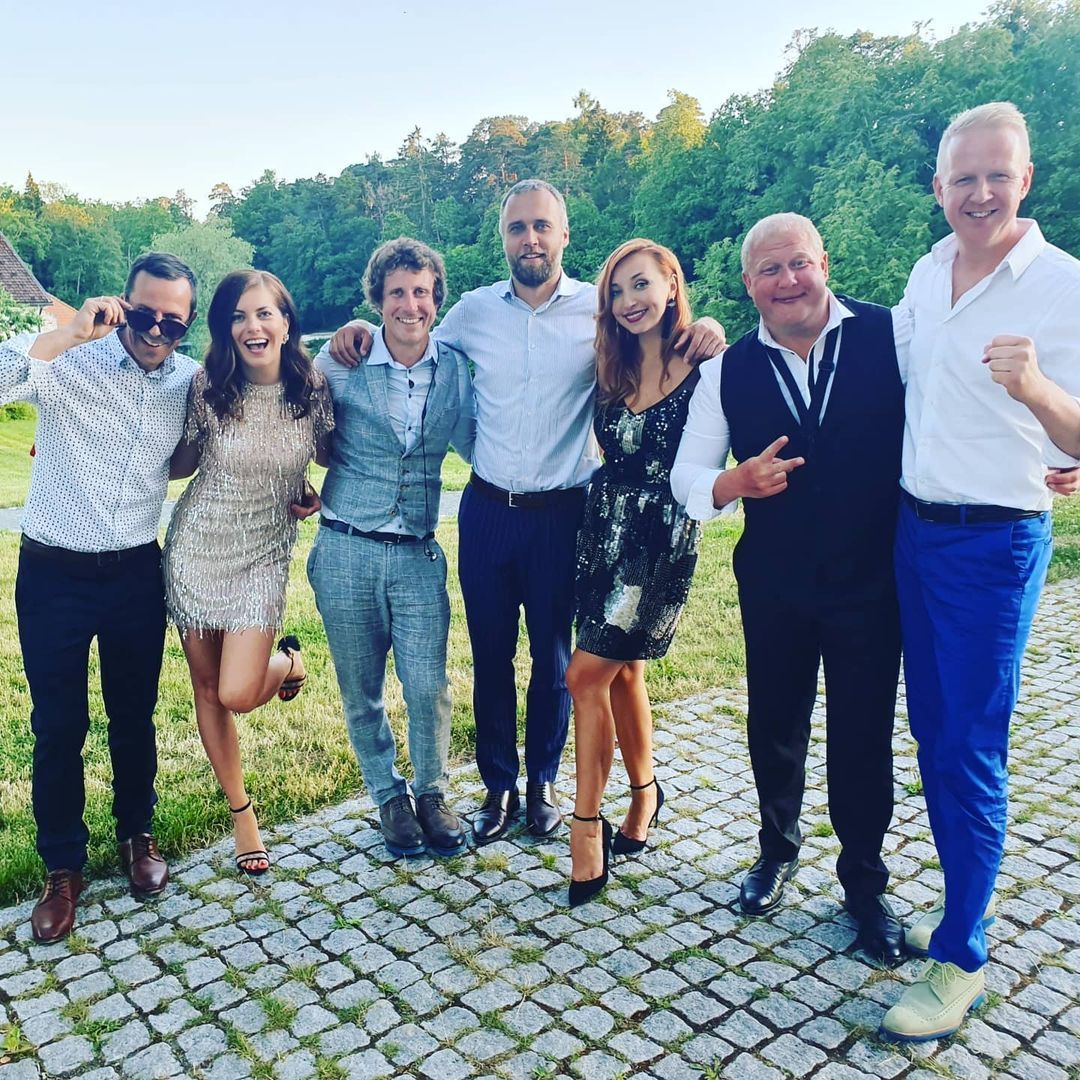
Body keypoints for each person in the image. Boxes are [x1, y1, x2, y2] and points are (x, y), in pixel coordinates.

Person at [329, 180, 723, 845]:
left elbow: (656, 335)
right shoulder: (474, 312)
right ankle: (498, 787)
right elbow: (411, 336)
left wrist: (706, 327)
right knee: (490, 657)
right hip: (488, 511)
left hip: (564, 514)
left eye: (542, 226)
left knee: (555, 657)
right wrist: (360, 329)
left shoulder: (598, 311)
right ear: (504, 239)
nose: (530, 239)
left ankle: (543, 783)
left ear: (564, 234)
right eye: (517, 228)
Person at [881, 102, 1080, 1041]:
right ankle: (963, 901)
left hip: (994, 542)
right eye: (964, 177)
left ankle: (961, 957)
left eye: (998, 174)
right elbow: (884, 359)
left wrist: (1036, 387)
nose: (981, 192)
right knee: (934, 735)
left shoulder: (1061, 285)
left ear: (1025, 178)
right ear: (939, 187)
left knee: (969, 749)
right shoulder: (929, 270)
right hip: (914, 533)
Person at [671, 213, 906, 967]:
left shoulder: (892, 335)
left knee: (863, 731)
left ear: (824, 263)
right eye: (769, 270)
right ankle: (777, 849)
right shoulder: (727, 371)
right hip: (775, 579)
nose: (787, 281)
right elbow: (686, 477)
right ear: (749, 284)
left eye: (798, 263)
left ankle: (864, 881)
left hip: (871, 577)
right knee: (775, 720)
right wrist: (734, 482)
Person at [1, 252, 199, 942]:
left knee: (133, 716)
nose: (157, 331)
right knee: (58, 725)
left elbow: (201, 449)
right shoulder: (71, 361)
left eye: (174, 322)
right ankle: (62, 867)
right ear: (124, 303)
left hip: (135, 572)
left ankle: (137, 835)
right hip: (54, 572)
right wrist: (67, 334)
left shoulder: (188, 381)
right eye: (146, 315)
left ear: (188, 324)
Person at [308, 238, 475, 859]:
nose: (411, 305)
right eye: (398, 292)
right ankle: (387, 794)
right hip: (345, 546)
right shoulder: (339, 361)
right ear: (377, 299)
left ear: (437, 299)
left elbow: (478, 443)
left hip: (417, 553)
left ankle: (431, 791)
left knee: (428, 684)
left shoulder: (453, 369)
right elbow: (298, 429)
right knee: (362, 689)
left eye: (422, 292)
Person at [164, 270, 332, 876]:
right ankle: (243, 816)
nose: (252, 327)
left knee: (237, 692)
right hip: (195, 550)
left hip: (262, 555)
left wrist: (317, 493)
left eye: (264, 314)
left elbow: (335, 457)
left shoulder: (313, 389)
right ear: (224, 327)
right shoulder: (208, 386)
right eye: (238, 316)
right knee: (208, 688)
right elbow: (181, 463)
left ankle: (288, 663)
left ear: (286, 323)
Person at [566, 239, 707, 906]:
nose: (629, 301)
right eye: (617, 291)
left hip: (659, 543)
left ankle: (585, 826)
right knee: (622, 673)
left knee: (583, 676)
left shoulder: (704, 361)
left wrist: (715, 331)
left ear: (671, 284)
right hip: (602, 532)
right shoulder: (610, 365)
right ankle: (646, 793)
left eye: (641, 284)